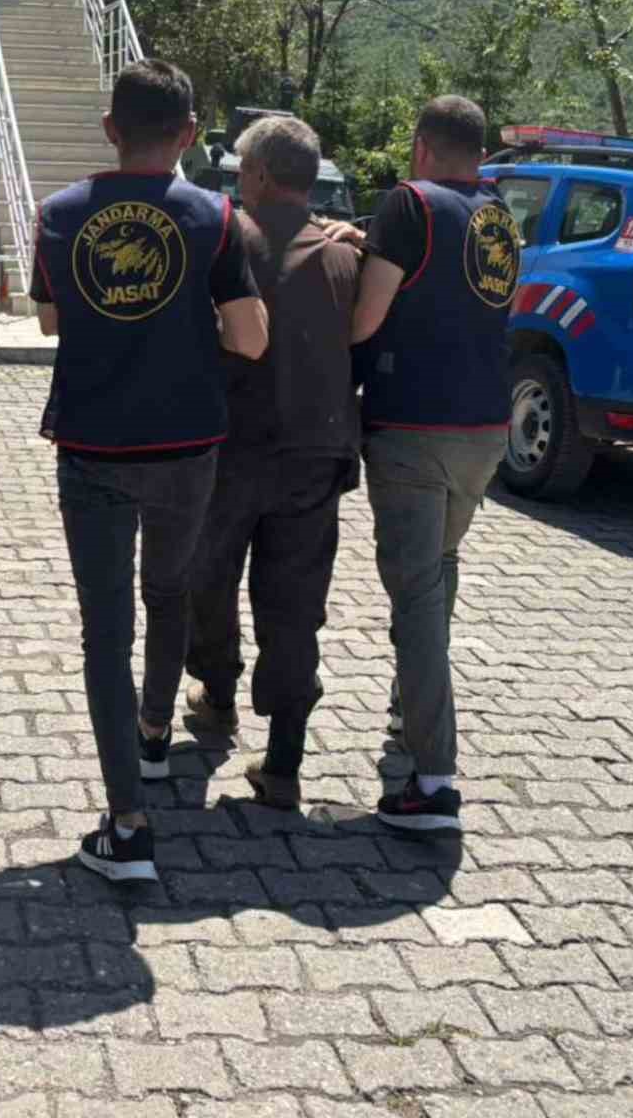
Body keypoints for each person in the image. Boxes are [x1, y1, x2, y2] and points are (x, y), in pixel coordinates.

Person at [31, 60, 268, 881]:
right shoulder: (215, 216)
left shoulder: (59, 214)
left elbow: (53, 319)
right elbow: (251, 339)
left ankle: (127, 825)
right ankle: (157, 735)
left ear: (109, 129)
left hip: (93, 446)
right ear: (191, 135)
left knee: (105, 633)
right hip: (186, 445)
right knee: (168, 593)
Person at [350, 96, 520, 832]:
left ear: (420, 145)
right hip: (485, 430)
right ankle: (406, 710)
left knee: (416, 595)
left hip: (415, 427)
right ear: (479, 152)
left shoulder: (407, 203)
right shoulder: (498, 216)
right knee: (439, 571)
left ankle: (433, 779)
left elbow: (365, 318)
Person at [185, 116, 360, 808]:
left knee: (209, 577)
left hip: (230, 449)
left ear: (257, 174)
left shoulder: (228, 241)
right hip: (317, 455)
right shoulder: (346, 257)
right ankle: (284, 761)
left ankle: (217, 696)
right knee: (295, 606)